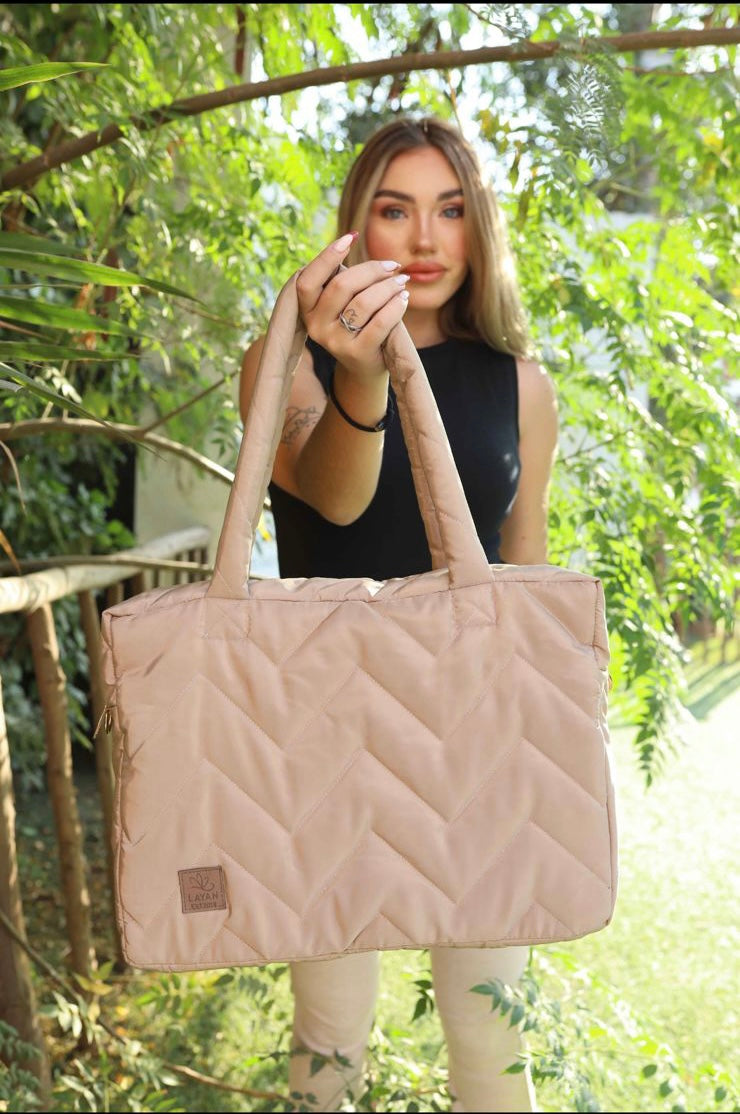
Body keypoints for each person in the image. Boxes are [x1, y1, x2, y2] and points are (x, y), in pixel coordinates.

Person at [239, 116, 558, 1114]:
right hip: (325, 730)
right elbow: (335, 501)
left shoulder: (521, 385)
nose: (424, 238)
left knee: (493, 1032)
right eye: (395, 209)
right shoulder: (285, 363)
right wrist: (364, 371)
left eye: (450, 210)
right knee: (329, 1039)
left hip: (476, 735)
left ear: (478, 229)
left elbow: (523, 570)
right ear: (357, 226)